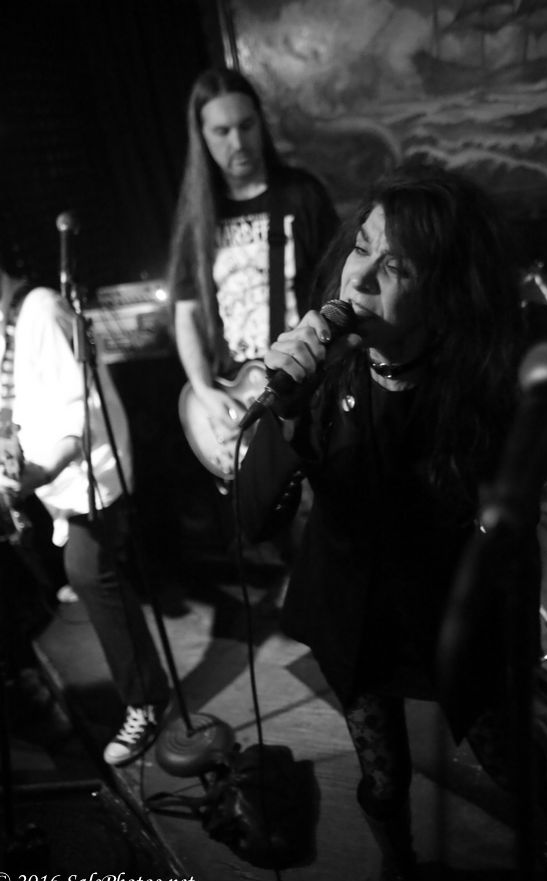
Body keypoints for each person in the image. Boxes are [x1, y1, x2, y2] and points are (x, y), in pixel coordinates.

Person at [237, 164, 547, 881]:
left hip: (451, 614)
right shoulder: (321, 373)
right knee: (384, 776)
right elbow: (252, 519)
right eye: (362, 248)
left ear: (444, 292)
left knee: (510, 758)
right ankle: (398, 868)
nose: (358, 279)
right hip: (355, 611)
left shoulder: (484, 380)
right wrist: (286, 411)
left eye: (396, 267)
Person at [0, 236, 169, 768]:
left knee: (90, 573)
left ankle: (145, 703)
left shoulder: (41, 310)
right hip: (54, 483)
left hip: (91, 473)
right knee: (93, 576)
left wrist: (37, 473)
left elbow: (79, 415)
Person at [167, 67, 338, 572]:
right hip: (234, 395)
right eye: (221, 131)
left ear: (261, 122)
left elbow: (337, 289)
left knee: (323, 523)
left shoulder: (301, 195)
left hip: (301, 388)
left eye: (246, 125)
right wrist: (204, 389)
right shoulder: (198, 213)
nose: (237, 142)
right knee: (270, 528)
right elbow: (185, 312)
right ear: (202, 137)